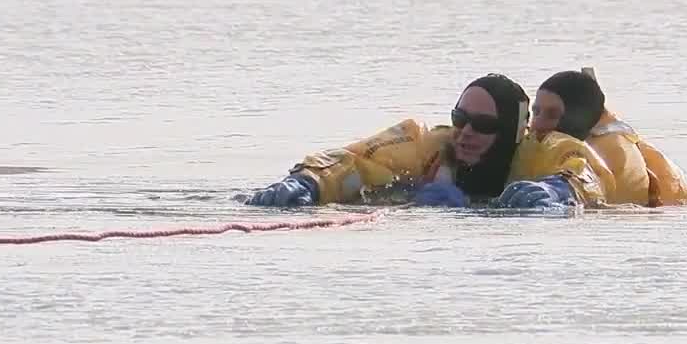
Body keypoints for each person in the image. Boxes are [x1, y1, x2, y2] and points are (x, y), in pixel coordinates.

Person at [244, 73, 611, 209]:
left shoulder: (541, 154)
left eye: (483, 124)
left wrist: (562, 193)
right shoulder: (434, 145)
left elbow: (583, 170)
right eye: (460, 119)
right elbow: (357, 161)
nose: (465, 133)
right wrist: (309, 180)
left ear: (511, 133)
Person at [531, 68, 687, 206]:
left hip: (680, 207)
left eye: (552, 115)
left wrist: (554, 192)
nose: (536, 125)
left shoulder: (610, 153)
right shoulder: (546, 141)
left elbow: (589, 185)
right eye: (535, 112)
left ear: (575, 119)